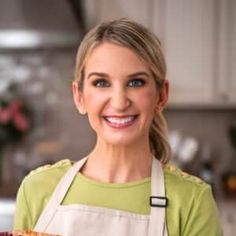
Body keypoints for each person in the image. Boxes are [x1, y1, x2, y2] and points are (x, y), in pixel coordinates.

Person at [14, 19, 223, 236]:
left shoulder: (192, 201)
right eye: (101, 83)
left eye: (136, 82)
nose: (119, 102)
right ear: (79, 96)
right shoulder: (37, 189)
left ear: (161, 95)